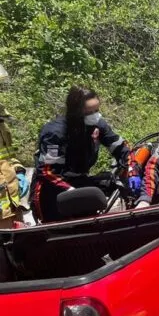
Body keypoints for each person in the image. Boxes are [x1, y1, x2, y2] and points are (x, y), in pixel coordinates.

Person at [30, 85, 140, 223]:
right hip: (52, 189)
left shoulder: (97, 125)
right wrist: (71, 191)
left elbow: (121, 148)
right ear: (76, 112)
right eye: (89, 112)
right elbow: (46, 172)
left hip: (79, 180)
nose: (95, 115)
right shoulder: (55, 133)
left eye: (97, 110)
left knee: (117, 184)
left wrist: (132, 170)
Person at [0, 65, 30, 228]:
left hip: (11, 200)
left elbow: (8, 155)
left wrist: (19, 171)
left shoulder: (1, 118)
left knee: (19, 245)